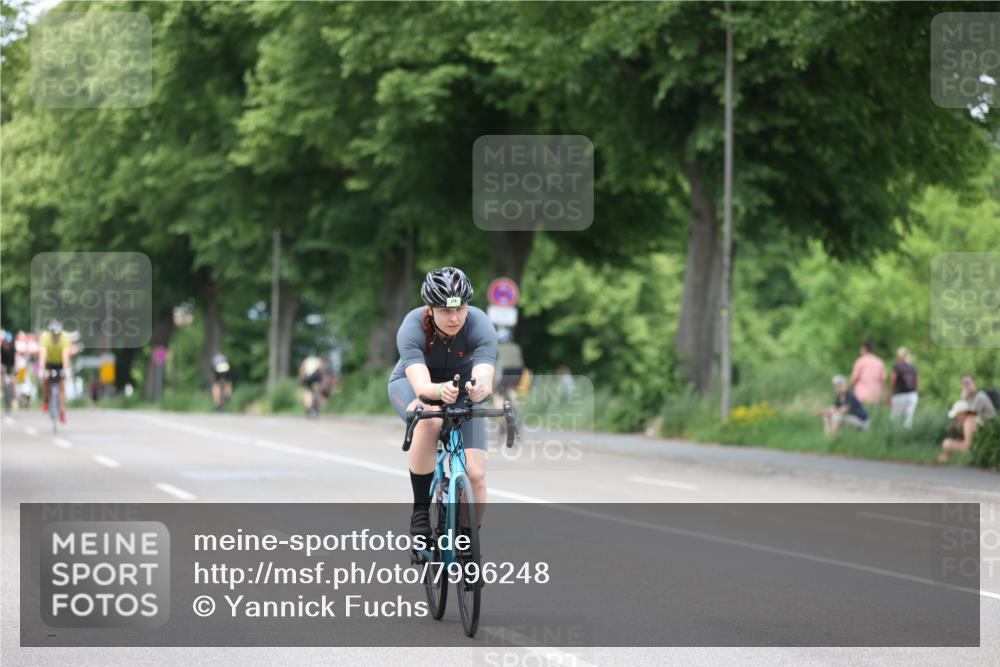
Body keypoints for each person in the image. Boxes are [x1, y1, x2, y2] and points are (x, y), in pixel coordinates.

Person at [387, 267, 497, 538]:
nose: (455, 318)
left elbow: (484, 374)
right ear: (430, 309)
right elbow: (423, 386)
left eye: (460, 309)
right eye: (445, 311)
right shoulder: (412, 326)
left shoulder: (479, 323)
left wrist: (478, 389)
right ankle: (421, 511)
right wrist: (439, 391)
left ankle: (468, 542)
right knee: (429, 417)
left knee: (476, 475)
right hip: (415, 385)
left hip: (461, 388)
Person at [939, 373, 997, 463]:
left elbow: (972, 413)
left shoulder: (980, 396)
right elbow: (963, 410)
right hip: (978, 426)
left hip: (989, 428)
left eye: (967, 382)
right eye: (963, 383)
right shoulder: (969, 397)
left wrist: (962, 402)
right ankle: (944, 457)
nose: (965, 385)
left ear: (974, 382)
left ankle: (961, 448)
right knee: (956, 426)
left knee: (968, 421)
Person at [38, 320, 74, 423]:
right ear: (50, 333)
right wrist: (41, 369)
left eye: (57, 334)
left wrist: (66, 370)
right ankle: (45, 399)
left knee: (61, 387)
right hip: (49, 363)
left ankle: (62, 412)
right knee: (45, 380)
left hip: (60, 363)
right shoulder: (45, 337)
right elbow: (42, 355)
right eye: (53, 334)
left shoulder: (65, 339)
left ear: (60, 333)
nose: (55, 336)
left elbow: (65, 355)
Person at [887, 346, 918, 429]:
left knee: (894, 418)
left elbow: (893, 382)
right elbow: (917, 382)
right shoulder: (913, 366)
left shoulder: (897, 366)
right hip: (912, 395)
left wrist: (889, 396)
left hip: (899, 395)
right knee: (908, 419)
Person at [850, 341, 885, 407]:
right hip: (875, 395)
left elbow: (854, 378)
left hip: (861, 395)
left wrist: (849, 389)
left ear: (864, 349)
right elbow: (882, 380)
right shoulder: (879, 362)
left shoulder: (860, 361)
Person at [1, 331, 15, 411]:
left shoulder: (13, 348)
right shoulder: (2, 348)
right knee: (2, 379)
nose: (8, 344)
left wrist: (15, 368)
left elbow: (15, 358)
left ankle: (12, 395)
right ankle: (2, 390)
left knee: (12, 381)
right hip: (3, 365)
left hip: (11, 366)